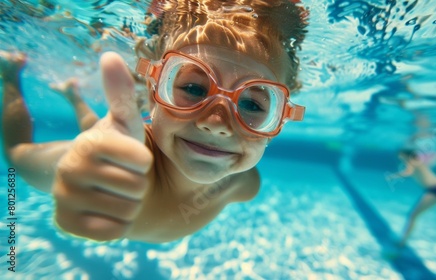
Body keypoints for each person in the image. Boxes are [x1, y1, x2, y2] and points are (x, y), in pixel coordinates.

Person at [1, 0, 308, 243]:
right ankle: (9, 75)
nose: (216, 123)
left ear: (278, 121)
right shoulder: (128, 159)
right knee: (18, 151)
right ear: (152, 94)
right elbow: (72, 156)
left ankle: (73, 96)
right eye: (193, 88)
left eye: (253, 104)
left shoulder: (244, 183)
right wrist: (76, 165)